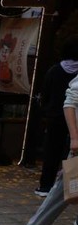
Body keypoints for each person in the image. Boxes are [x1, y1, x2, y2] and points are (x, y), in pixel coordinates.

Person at [36, 37, 78, 196]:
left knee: (52, 151)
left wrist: (46, 109)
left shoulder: (54, 70)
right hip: (76, 118)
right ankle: (71, 188)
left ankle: (45, 186)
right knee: (72, 154)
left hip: (55, 116)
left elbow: (45, 93)